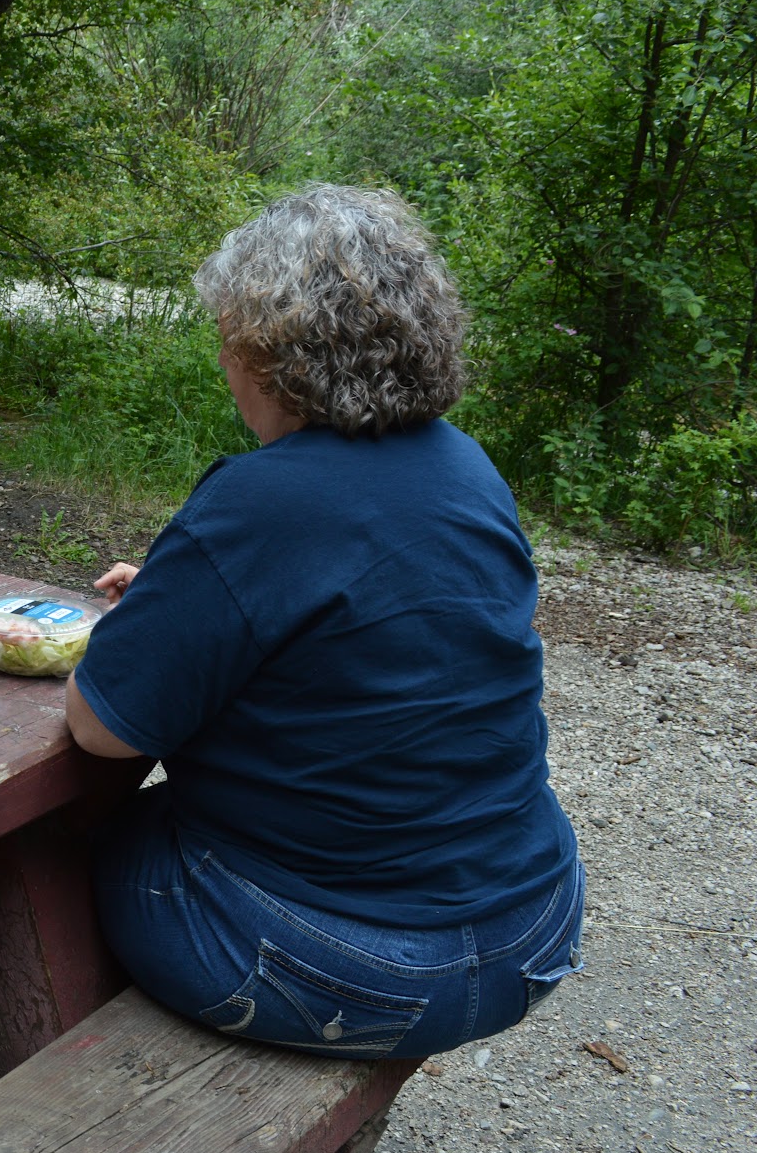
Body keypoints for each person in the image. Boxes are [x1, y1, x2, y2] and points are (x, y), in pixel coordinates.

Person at [65, 184, 583, 1060]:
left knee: (72, 850)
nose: (224, 361)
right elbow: (379, 615)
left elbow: (100, 730)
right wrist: (193, 593)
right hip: (532, 929)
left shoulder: (258, 504)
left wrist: (176, 611)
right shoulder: (465, 468)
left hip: (358, 972)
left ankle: (70, 1095)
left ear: (263, 350)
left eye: (226, 337)